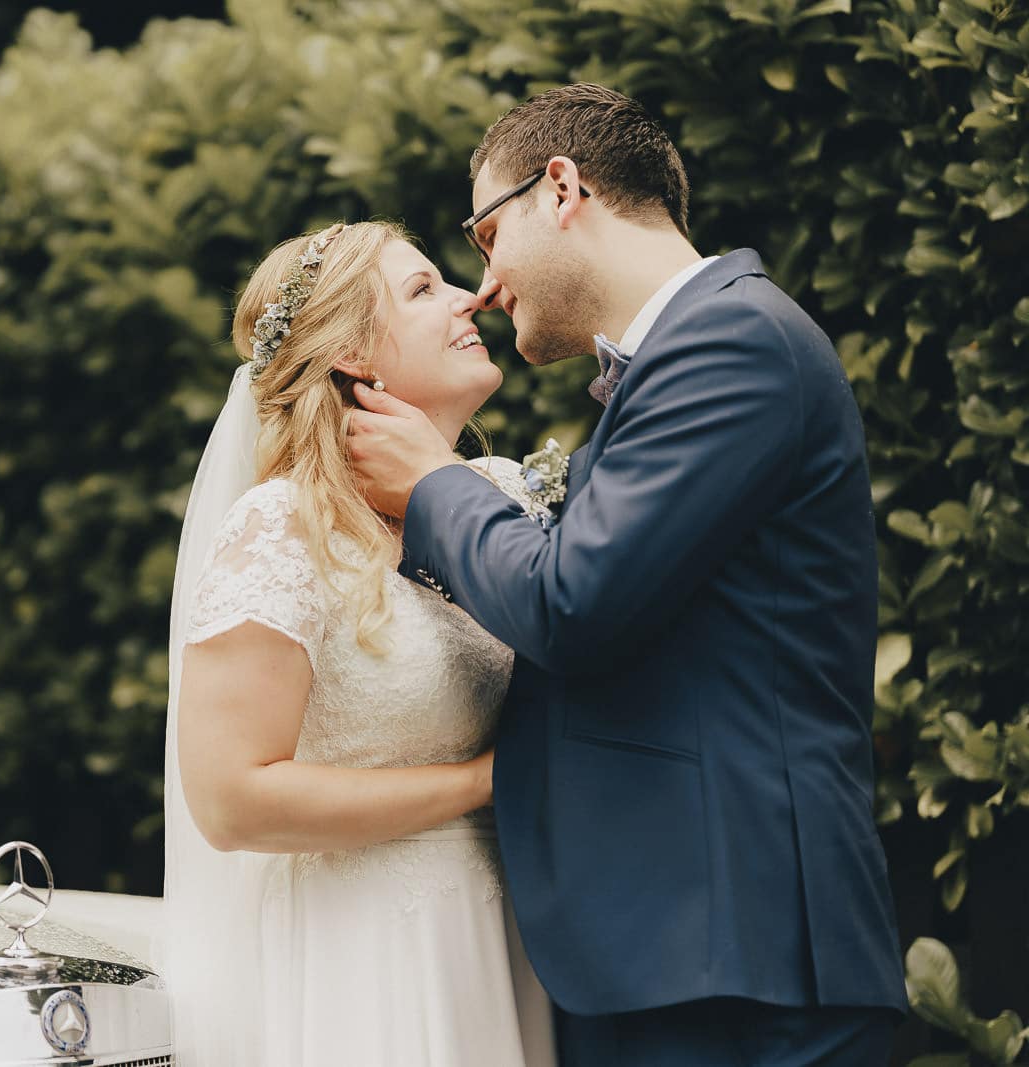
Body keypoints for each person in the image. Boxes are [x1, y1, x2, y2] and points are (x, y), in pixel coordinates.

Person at [345, 84, 908, 1065]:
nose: (484, 286)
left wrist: (434, 482)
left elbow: (570, 601)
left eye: (487, 236)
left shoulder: (731, 340)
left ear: (561, 188)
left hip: (741, 960)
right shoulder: (684, 357)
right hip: (681, 949)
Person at [162, 220, 557, 1065]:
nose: (469, 297)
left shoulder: (500, 499)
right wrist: (484, 781)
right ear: (352, 355)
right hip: (373, 956)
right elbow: (231, 800)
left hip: (514, 942)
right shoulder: (283, 529)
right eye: (423, 289)